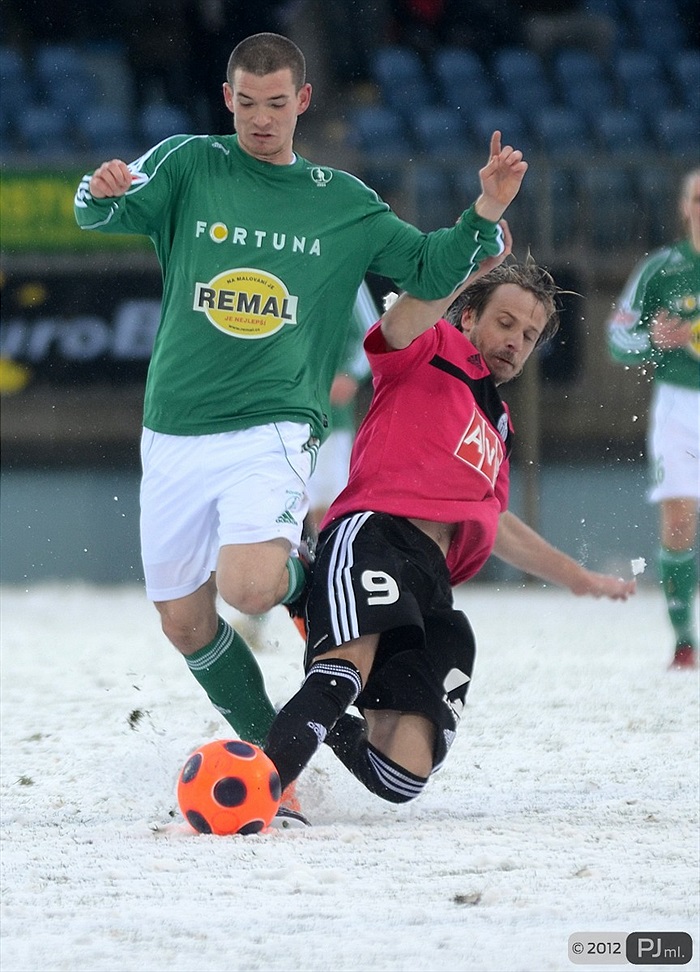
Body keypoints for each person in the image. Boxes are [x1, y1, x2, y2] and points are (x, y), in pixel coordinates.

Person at [73, 32, 513, 768]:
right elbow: (96, 214)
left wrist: (483, 210)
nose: (261, 119)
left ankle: (311, 598)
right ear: (227, 98)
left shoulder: (341, 203)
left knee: (247, 589)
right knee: (184, 623)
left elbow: (429, 264)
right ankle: (267, 743)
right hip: (174, 427)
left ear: (302, 101)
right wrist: (102, 186)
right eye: (246, 103)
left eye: (276, 104)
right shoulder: (188, 163)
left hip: (275, 425)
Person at [263, 258, 636, 810]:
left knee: (402, 777)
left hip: (431, 584)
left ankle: (308, 655)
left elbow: (495, 522)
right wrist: (469, 264)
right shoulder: (431, 343)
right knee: (340, 676)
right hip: (375, 540)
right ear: (467, 316)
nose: (516, 341)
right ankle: (258, 795)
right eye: (505, 323)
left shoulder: (500, 423)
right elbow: (396, 326)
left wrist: (578, 579)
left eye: (529, 335)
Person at [607, 168, 700, 670]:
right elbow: (616, 339)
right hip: (681, 405)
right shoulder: (660, 271)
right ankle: (684, 640)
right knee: (679, 519)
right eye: (699, 198)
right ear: (685, 207)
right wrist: (654, 341)